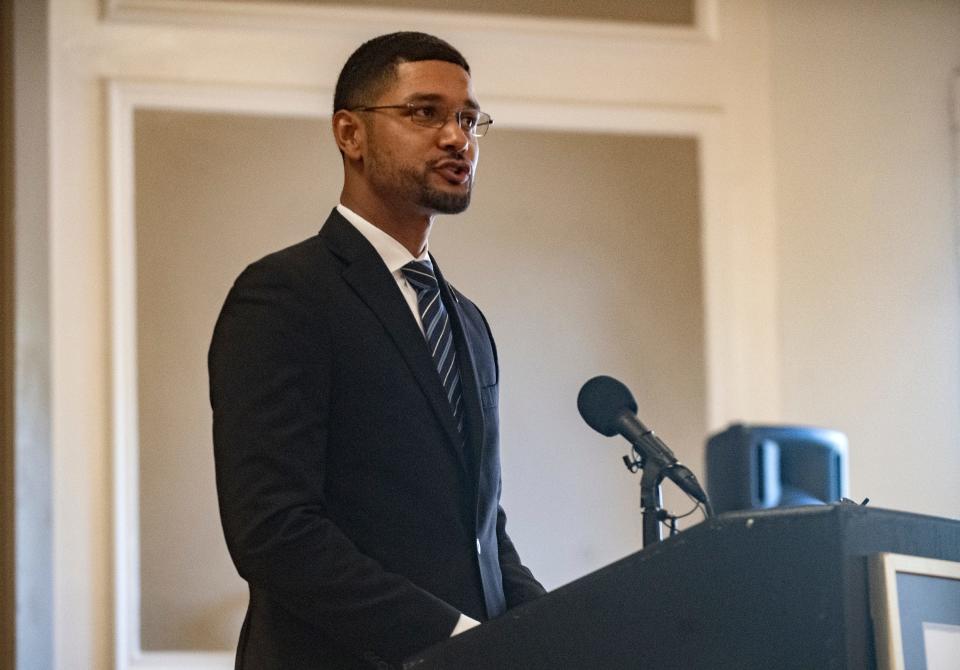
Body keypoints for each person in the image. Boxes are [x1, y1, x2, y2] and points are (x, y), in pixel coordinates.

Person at [208, 31, 545, 669]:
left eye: (469, 119)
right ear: (350, 134)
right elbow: (274, 531)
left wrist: (553, 629)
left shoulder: (466, 322)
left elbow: (480, 530)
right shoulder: (285, 295)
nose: (457, 137)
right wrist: (451, 639)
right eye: (425, 113)